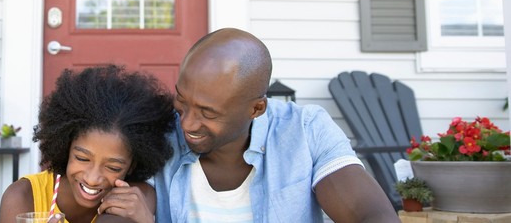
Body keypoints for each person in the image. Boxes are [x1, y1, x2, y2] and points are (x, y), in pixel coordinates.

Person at [152, 28, 400, 222]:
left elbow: (369, 213)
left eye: (208, 113)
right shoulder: (156, 132)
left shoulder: (306, 130)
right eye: (182, 100)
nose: (186, 123)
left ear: (256, 108)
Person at [0, 64, 176, 223]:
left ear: (132, 166)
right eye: (82, 158)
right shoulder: (22, 197)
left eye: (113, 167)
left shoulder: (135, 199)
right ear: (66, 146)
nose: (92, 179)